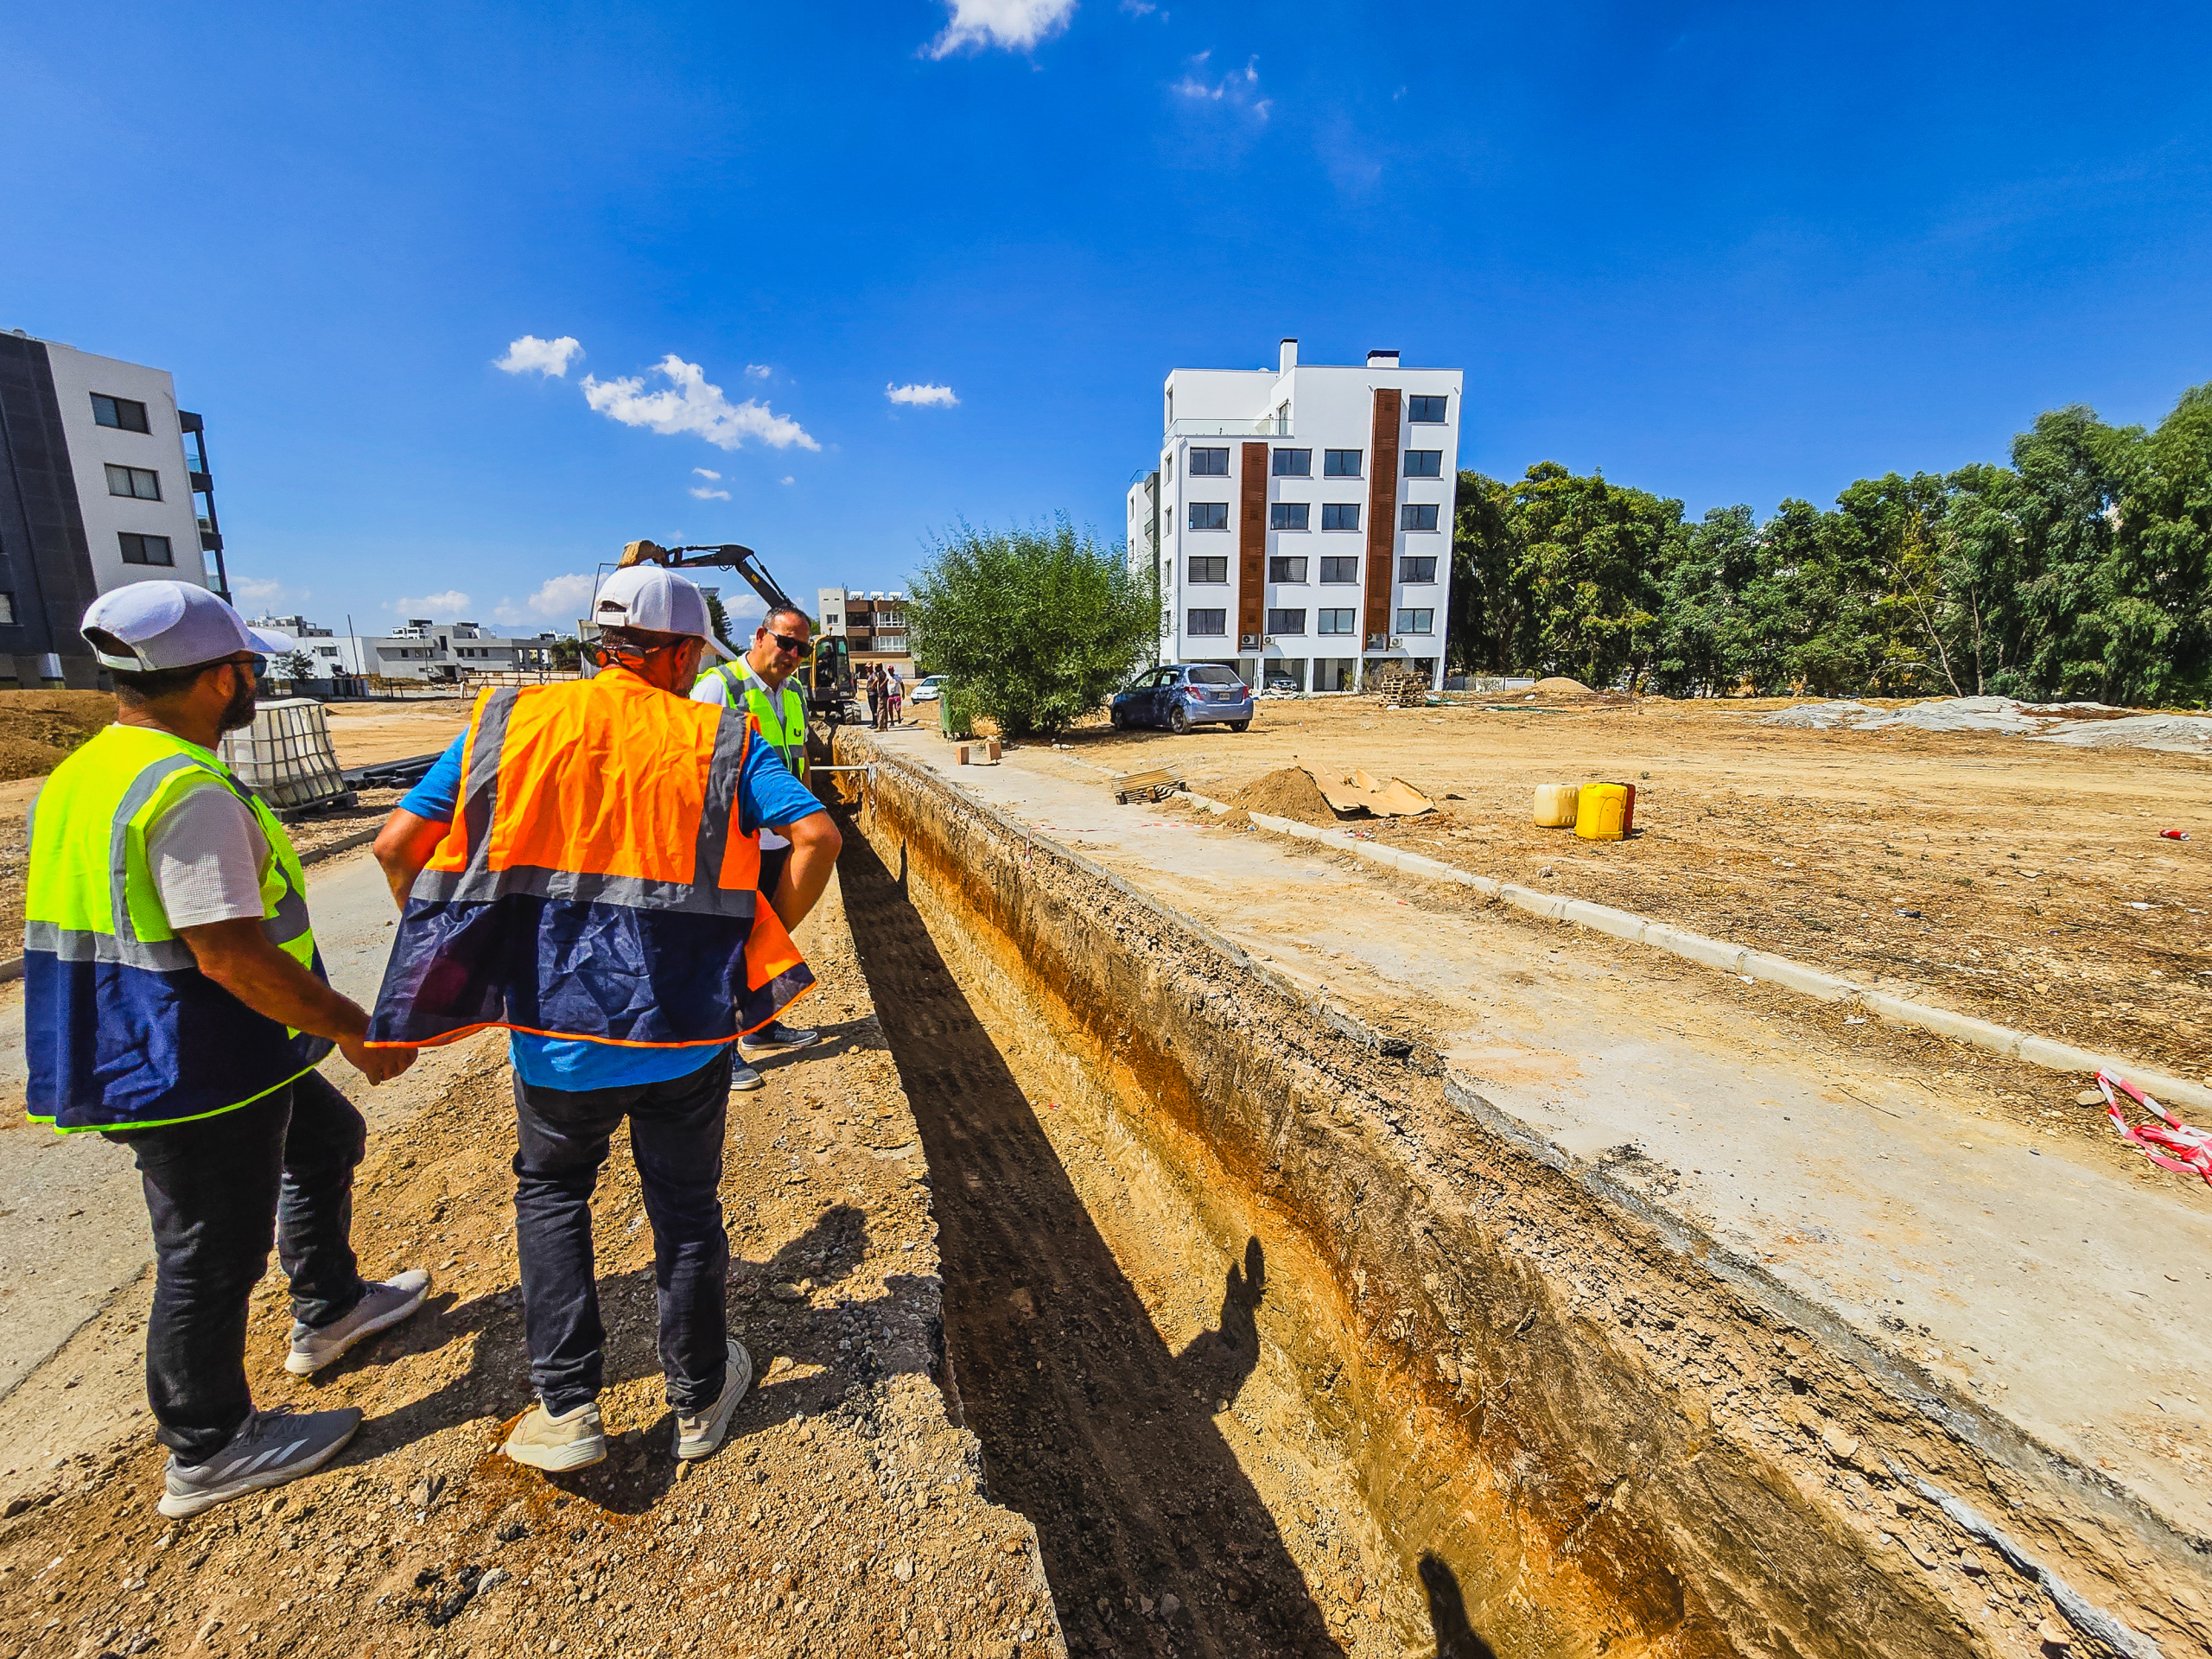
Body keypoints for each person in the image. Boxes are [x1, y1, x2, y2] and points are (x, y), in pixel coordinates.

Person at [368, 567, 840, 1474]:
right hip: (685, 1027)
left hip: (555, 1030)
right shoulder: (722, 734)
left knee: (552, 1196)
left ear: (604, 643)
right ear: (673, 653)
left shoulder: (510, 721)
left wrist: (472, 955)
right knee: (686, 1212)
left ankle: (569, 1407)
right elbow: (816, 837)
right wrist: (757, 938)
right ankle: (701, 1399)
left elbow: (398, 847)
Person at [23, 582, 428, 1519]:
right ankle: (207, 1444)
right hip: (191, 1057)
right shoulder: (186, 791)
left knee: (324, 1141)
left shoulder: (96, 770)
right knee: (210, 1251)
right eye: (249, 666)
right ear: (216, 680)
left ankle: (330, 1307)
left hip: (158, 1034)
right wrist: (357, 1033)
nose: (257, 680)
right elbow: (230, 952)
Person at [691, 603, 824, 1081]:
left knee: (766, 938)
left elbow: (799, 755)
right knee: (724, 944)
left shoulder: (791, 694)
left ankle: (760, 1026)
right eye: (785, 641)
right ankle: (719, 1053)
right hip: (732, 843)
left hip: (776, 842)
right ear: (760, 635)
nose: (792, 653)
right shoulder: (720, 687)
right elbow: (695, 768)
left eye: (800, 648)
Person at [887, 664, 904, 728]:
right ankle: (892, 721)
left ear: (893, 670)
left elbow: (902, 684)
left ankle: (899, 715)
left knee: (898, 707)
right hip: (890, 695)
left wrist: (903, 693)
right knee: (890, 709)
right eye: (889, 670)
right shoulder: (887, 677)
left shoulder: (897, 677)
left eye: (891, 670)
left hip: (897, 694)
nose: (890, 671)